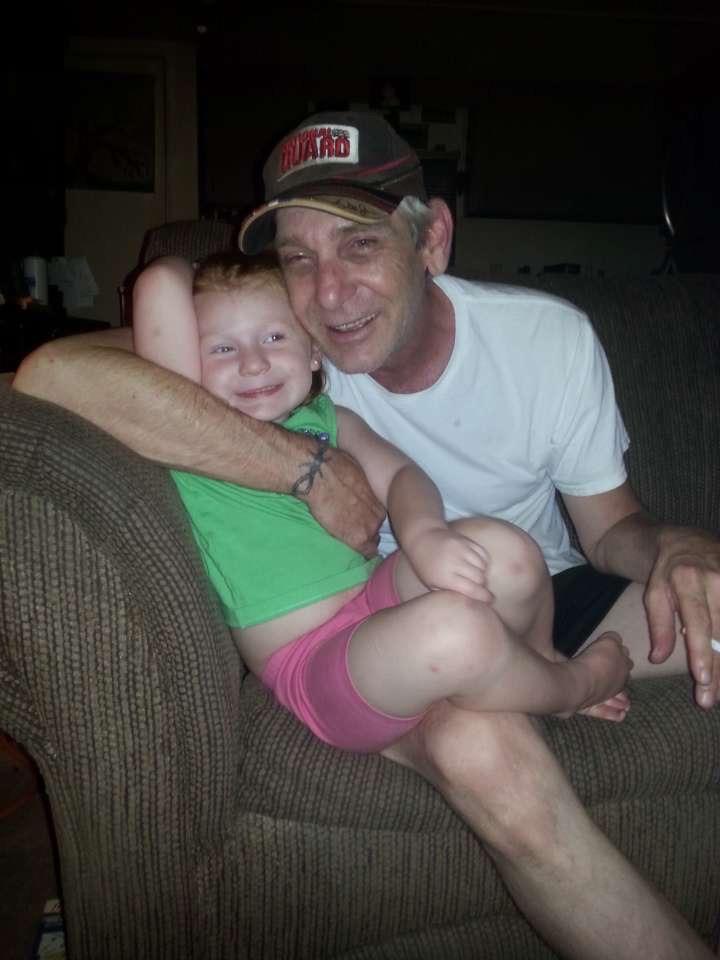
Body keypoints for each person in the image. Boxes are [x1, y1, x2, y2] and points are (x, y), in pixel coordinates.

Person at [13, 110, 720, 959]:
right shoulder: (271, 354)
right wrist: (298, 467)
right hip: (384, 632)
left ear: (432, 242)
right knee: (482, 749)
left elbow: (613, 531)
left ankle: (536, 675)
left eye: (359, 246)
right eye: (300, 258)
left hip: (546, 593)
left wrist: (674, 546)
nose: (332, 293)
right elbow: (54, 372)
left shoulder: (546, 338)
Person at [132, 250, 633, 750]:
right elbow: (158, 280)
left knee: (508, 551)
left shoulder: (331, 419)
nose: (253, 362)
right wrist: (198, 264)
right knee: (455, 632)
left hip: (379, 602)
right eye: (221, 349)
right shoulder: (193, 432)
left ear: (313, 352)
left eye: (274, 337)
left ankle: (543, 658)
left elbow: (401, 477)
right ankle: (569, 689)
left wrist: (425, 535)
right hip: (312, 661)